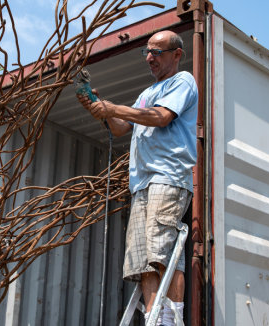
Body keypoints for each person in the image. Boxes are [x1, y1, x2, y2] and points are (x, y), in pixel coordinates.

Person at [78, 30, 197, 325]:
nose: (149, 58)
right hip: (141, 184)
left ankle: (171, 319)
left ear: (176, 55)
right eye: (147, 52)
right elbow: (120, 127)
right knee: (143, 262)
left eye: (156, 52)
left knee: (162, 253)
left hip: (167, 178)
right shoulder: (145, 94)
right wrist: (97, 107)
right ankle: (154, 319)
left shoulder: (182, 82)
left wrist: (115, 108)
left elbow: (160, 117)